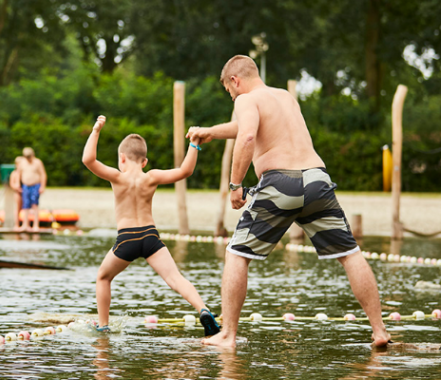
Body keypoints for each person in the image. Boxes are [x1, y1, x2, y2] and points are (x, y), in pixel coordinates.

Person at [187, 55, 391, 348]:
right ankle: (380, 331)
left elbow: (246, 136)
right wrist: (211, 132)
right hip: (318, 180)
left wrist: (235, 186)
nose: (231, 97)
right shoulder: (285, 97)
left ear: (235, 80)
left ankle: (228, 335)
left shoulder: (245, 100)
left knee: (236, 253)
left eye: (229, 91)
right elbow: (251, 128)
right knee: (350, 254)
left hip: (281, 183)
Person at [82, 115, 220, 335]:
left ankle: (104, 326)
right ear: (144, 161)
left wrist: (97, 130)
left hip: (127, 239)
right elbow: (185, 171)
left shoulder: (117, 177)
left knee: (103, 277)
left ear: (122, 158)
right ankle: (203, 310)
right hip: (150, 237)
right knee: (175, 278)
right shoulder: (151, 177)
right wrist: (194, 144)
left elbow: (88, 160)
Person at [15, 147, 47, 231]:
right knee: (25, 205)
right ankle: (25, 225)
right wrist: (18, 184)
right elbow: (18, 173)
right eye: (26, 156)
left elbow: (43, 174)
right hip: (25, 186)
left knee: (34, 205)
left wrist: (42, 186)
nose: (28, 158)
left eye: (29, 156)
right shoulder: (22, 162)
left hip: (35, 185)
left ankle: (36, 225)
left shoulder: (38, 162)